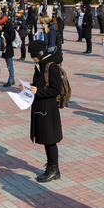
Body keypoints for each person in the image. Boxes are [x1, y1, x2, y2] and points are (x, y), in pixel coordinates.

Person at [27, 40, 65, 183]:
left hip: (49, 109)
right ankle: (50, 167)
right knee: (45, 139)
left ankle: (54, 170)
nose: (32, 57)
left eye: (33, 54)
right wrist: (27, 87)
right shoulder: (39, 65)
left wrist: (38, 91)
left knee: (50, 140)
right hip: (40, 107)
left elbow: (56, 90)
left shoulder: (51, 67)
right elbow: (38, 84)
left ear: (40, 54)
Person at [0, 16, 16, 88]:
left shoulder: (10, 28)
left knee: (10, 65)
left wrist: (4, 34)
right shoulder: (3, 27)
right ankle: (12, 79)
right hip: (4, 49)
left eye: (1, 24)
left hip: (9, 49)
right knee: (8, 65)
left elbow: (11, 38)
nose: (0, 25)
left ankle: (11, 80)